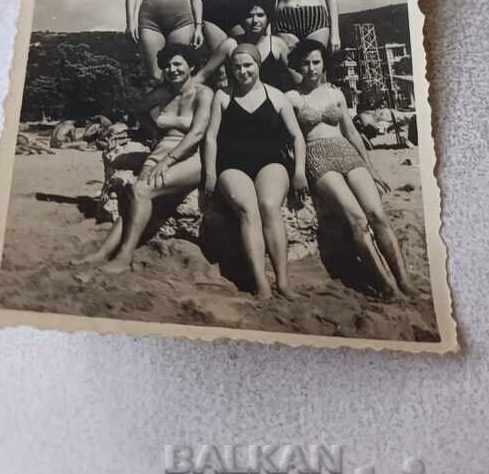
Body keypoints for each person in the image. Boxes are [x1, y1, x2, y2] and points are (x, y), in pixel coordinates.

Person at [287, 40, 413, 298]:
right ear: (298, 65)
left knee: (378, 215)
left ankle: (404, 279)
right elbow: (291, 138)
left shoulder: (336, 93)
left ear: (323, 64)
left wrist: (372, 170)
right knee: (357, 219)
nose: (311, 69)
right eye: (305, 63)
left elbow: (352, 132)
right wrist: (297, 171)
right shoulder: (292, 97)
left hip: (346, 151)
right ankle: (387, 286)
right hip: (317, 155)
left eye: (316, 62)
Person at [74, 44, 212, 272]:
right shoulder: (161, 94)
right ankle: (102, 253)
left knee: (141, 190)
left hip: (191, 157)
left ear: (191, 65)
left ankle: (125, 256)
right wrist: (153, 133)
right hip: (160, 151)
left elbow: (197, 133)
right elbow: (139, 111)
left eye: (178, 63)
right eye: (167, 65)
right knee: (133, 195)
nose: (172, 69)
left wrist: (168, 160)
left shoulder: (203, 93)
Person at [203, 43, 307, 299]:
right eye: (236, 67)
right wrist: (210, 174)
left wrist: (300, 172)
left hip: (271, 162)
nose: (242, 71)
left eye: (248, 65)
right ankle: (261, 282)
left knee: (269, 206)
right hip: (232, 165)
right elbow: (210, 138)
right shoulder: (223, 96)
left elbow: (297, 136)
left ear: (258, 65)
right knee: (248, 210)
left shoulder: (276, 95)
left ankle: (282, 282)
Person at [194, 0, 300, 92]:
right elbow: (202, 76)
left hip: (270, 103)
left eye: (260, 15)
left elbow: (297, 78)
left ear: (268, 19)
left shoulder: (277, 44)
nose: (255, 20)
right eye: (249, 16)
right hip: (238, 101)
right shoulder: (230, 44)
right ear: (241, 20)